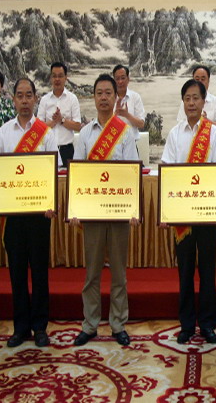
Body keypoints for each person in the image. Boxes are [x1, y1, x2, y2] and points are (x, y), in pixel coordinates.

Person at [70, 74, 140, 347]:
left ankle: (118, 324)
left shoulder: (125, 132)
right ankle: (90, 324)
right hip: (93, 214)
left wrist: (133, 209)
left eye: (108, 93)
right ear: (93, 97)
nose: (103, 97)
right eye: (99, 92)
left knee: (119, 273)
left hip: (119, 212)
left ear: (115, 97)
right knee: (92, 273)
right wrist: (75, 209)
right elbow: (78, 173)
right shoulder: (85, 134)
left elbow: (132, 171)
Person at [0, 78, 58, 348]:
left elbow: (54, 171)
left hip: (39, 214)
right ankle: (20, 328)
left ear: (36, 99)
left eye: (29, 95)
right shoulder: (4, 133)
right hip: (13, 216)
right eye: (20, 95)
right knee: (16, 273)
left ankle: (40, 327)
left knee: (40, 272)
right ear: (13, 100)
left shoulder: (46, 133)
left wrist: (51, 202)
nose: (25, 100)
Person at [161, 79, 216, 344]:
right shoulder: (175, 134)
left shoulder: (214, 134)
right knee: (185, 272)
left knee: (208, 272)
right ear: (183, 102)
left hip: (208, 213)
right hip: (182, 217)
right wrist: (166, 212)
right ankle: (187, 325)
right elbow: (167, 172)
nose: (191, 103)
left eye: (196, 98)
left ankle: (208, 325)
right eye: (187, 98)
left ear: (204, 102)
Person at [36, 62, 81, 167]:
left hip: (67, 150)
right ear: (50, 78)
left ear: (66, 78)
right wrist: (53, 122)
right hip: (48, 150)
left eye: (60, 76)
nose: (57, 79)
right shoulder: (44, 100)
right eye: (54, 76)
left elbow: (78, 126)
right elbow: (38, 128)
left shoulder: (72, 99)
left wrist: (62, 120)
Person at [175, 65, 216, 131]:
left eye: (203, 79)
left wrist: (206, 121)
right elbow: (180, 124)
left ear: (208, 81)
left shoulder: (215, 101)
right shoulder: (186, 102)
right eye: (197, 79)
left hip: (208, 136)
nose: (200, 82)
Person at [112, 64, 146, 130]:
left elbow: (141, 124)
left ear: (128, 79)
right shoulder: (109, 98)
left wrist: (126, 115)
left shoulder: (135, 97)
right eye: (117, 79)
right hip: (113, 136)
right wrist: (115, 114)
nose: (120, 81)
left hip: (132, 136)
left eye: (123, 78)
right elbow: (104, 124)